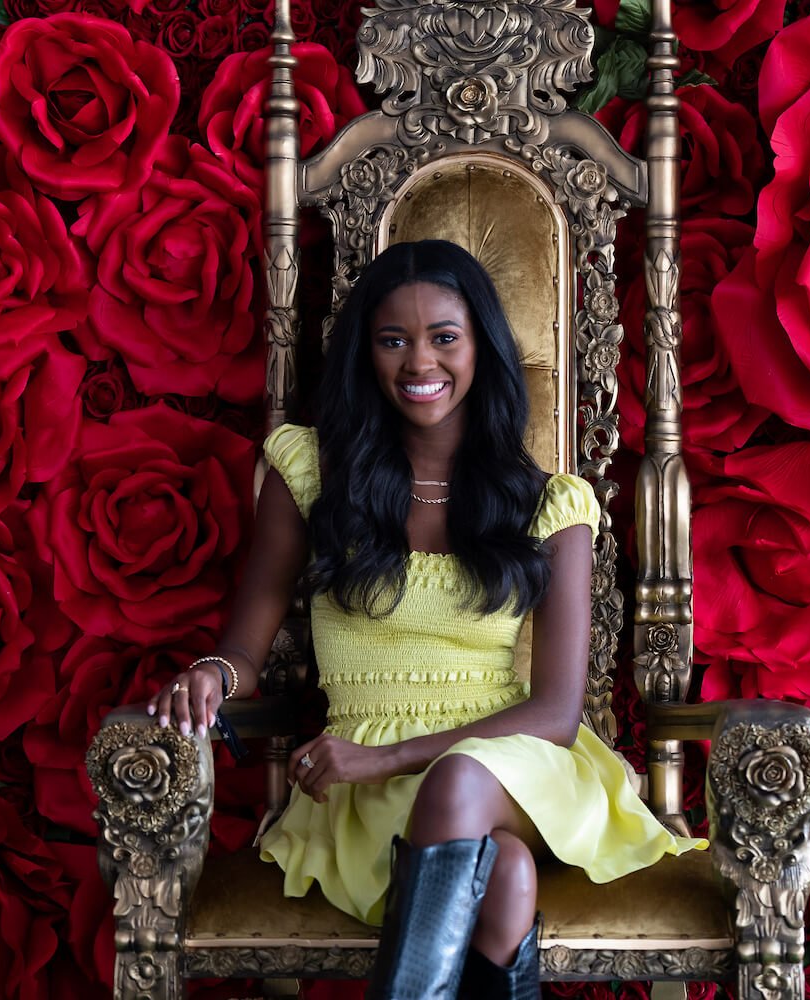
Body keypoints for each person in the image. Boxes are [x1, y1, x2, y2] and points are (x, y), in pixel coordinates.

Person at [146, 240, 705, 999]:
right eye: (393, 340)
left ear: (481, 348)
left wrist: (379, 758)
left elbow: (553, 712)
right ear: (365, 355)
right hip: (365, 791)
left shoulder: (550, 503)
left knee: (461, 779)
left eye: (445, 337)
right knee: (502, 878)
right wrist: (212, 673)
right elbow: (244, 644)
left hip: (515, 764)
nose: (420, 363)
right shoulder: (309, 474)